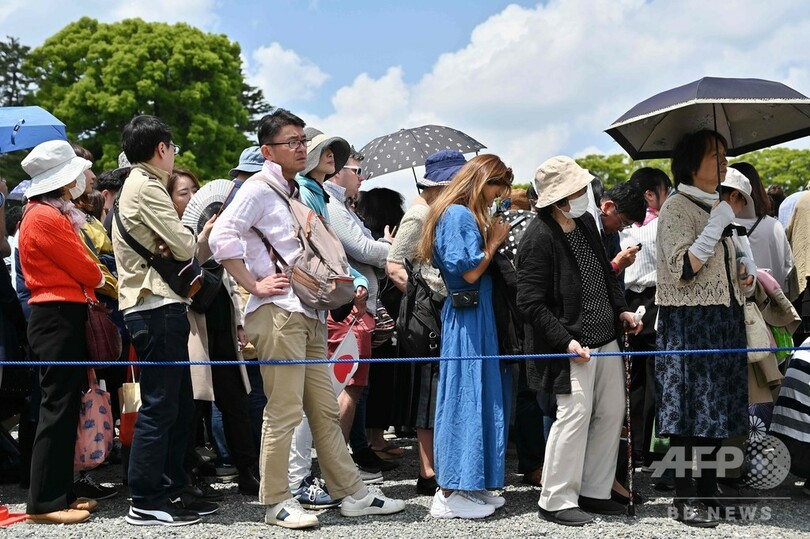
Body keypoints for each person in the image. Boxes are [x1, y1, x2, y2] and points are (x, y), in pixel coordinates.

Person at [208, 108, 404, 530]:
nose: (301, 147)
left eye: (301, 140)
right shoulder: (259, 189)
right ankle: (276, 499)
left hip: (308, 309)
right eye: (292, 142)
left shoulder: (294, 189)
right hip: (278, 312)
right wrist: (254, 284)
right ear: (267, 150)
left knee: (323, 410)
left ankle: (350, 492)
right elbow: (221, 236)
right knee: (283, 411)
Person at [516, 156, 641, 527]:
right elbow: (530, 303)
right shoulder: (537, 238)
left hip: (606, 337)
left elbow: (605, 274)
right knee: (573, 417)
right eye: (577, 189)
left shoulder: (585, 221)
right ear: (559, 197)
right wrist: (565, 340)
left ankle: (594, 490)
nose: (585, 193)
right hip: (571, 346)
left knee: (610, 413)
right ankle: (555, 498)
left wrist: (622, 310)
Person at [113, 115, 211, 526]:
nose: (174, 156)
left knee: (175, 406)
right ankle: (146, 497)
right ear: (162, 149)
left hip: (153, 305)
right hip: (154, 306)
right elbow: (185, 243)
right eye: (173, 149)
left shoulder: (133, 184)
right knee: (158, 407)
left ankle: (169, 488)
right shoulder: (147, 187)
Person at [655, 129, 750, 528]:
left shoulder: (714, 204)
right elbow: (682, 268)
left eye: (725, 154)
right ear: (692, 163)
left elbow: (717, 264)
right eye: (715, 154)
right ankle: (684, 495)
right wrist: (717, 224)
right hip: (690, 320)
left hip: (722, 319)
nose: (723, 161)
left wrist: (742, 276)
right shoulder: (677, 207)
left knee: (718, 409)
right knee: (689, 409)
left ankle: (710, 492)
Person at [419, 154, 513, 520]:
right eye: (495, 185)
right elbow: (469, 272)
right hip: (467, 314)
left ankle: (471, 484)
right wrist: (493, 241)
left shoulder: (460, 212)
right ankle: (451, 490)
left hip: (476, 314)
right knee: (464, 395)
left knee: (481, 394)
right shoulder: (457, 214)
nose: (498, 194)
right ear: (479, 181)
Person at [17, 140, 104, 524]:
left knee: (64, 406)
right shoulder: (45, 217)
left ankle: (60, 493)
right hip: (55, 314)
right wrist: (93, 269)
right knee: (56, 408)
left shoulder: (44, 213)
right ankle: (44, 503)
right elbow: (89, 269)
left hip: (57, 313)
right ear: (64, 180)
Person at [166, 168, 260, 497]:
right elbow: (185, 269)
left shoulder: (221, 224)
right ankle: (190, 473)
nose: (191, 197)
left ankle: (247, 469)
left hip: (222, 321)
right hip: (193, 326)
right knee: (192, 403)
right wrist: (203, 238)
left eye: (194, 189)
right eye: (182, 192)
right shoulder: (173, 230)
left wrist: (238, 320)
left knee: (235, 398)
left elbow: (231, 275)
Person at [386, 150, 463, 496]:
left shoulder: (438, 212)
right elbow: (394, 264)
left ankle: (437, 466)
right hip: (426, 315)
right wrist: (425, 295)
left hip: (440, 310)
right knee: (427, 392)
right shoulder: (419, 214)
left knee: (437, 389)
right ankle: (427, 470)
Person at [621, 167, 672, 469]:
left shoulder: (623, 226)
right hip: (655, 300)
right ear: (651, 195)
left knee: (634, 377)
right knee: (655, 376)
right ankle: (651, 450)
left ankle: (634, 448)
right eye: (666, 191)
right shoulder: (662, 223)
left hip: (627, 301)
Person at [729, 163, 794, 290]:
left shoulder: (725, 228)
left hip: (742, 304)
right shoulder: (774, 225)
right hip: (773, 301)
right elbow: (788, 267)